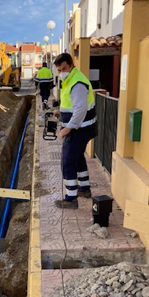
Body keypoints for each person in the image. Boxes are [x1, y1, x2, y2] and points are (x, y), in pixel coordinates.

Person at [53, 53, 98, 209]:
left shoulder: (77, 83)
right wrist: (60, 111)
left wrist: (68, 128)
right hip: (84, 128)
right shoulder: (71, 78)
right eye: (59, 70)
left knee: (68, 161)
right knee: (78, 158)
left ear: (71, 65)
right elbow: (71, 104)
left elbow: (80, 109)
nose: (61, 72)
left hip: (79, 129)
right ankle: (84, 189)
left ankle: (70, 198)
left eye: (64, 68)